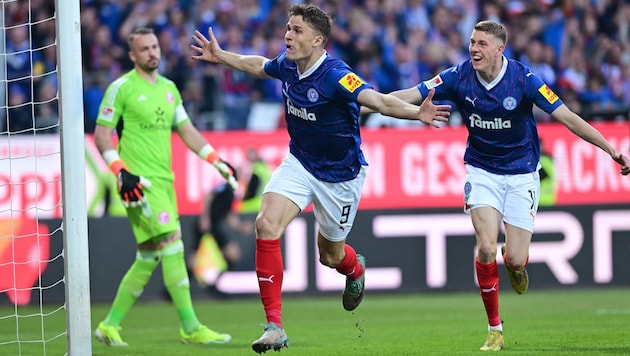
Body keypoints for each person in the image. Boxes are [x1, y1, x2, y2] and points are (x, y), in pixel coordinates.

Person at [191, 4, 451, 354]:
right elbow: (259, 65)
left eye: (297, 30)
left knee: (329, 256)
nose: (287, 34)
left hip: (340, 177)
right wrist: (222, 56)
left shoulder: (336, 74)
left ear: (317, 40)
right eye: (287, 27)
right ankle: (274, 326)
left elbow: (376, 100)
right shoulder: (287, 65)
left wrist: (414, 113)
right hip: (300, 163)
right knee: (266, 224)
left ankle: (355, 269)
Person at [379, 20, 630, 351]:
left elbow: (568, 117)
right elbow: (409, 95)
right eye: (472, 42)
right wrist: (369, 100)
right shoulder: (457, 76)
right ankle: (494, 328)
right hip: (482, 171)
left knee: (513, 259)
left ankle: (516, 265)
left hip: (522, 173)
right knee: (485, 247)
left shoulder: (524, 80)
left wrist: (611, 149)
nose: (474, 49)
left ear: (500, 49)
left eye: (482, 43)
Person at [93, 27, 238, 347]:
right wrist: (121, 172)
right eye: (143, 49)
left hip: (164, 181)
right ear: (132, 55)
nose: (151, 53)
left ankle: (109, 325)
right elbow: (102, 136)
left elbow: (187, 131)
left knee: (148, 256)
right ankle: (190, 326)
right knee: (173, 242)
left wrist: (216, 160)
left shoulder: (170, 89)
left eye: (155, 46)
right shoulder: (121, 88)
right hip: (139, 183)